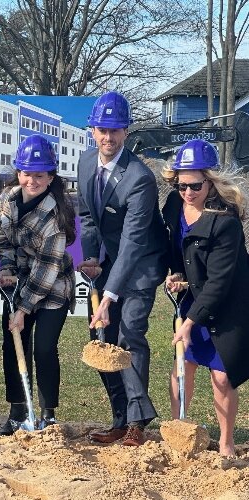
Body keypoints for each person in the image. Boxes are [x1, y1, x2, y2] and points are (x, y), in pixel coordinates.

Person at [77, 91, 168, 447]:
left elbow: (133, 242)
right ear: (93, 131)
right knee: (102, 339)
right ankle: (118, 418)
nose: (108, 137)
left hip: (141, 263)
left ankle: (136, 423)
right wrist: (92, 257)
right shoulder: (86, 162)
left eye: (115, 130)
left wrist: (109, 295)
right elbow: (87, 216)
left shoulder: (139, 178)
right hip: (111, 261)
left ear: (126, 132)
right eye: (102, 129)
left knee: (129, 334)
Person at [161, 139, 249, 457]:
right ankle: (178, 433)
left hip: (229, 305)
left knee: (222, 377)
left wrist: (189, 322)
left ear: (210, 181)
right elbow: (178, 250)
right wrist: (176, 274)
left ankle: (226, 444)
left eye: (195, 185)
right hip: (193, 296)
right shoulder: (174, 205)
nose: (187, 192)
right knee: (183, 364)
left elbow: (220, 282)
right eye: (181, 185)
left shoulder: (225, 222)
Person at [0, 135, 76, 435]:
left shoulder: (56, 215)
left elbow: (47, 267)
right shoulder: (7, 199)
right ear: (18, 172)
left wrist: (23, 309)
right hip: (18, 282)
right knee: (14, 344)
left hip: (53, 286)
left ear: (51, 177)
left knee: (44, 348)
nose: (32, 181)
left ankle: (47, 415)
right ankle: (17, 412)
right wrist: (7, 268)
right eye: (27, 173)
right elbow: (1, 237)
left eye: (40, 175)